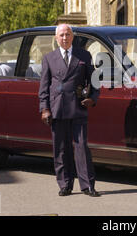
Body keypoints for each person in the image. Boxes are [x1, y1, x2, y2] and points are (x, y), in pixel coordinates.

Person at [39, 24, 101, 197]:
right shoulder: (49, 58)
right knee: (61, 148)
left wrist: (93, 99)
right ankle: (65, 184)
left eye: (67, 34)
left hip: (78, 107)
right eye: (61, 35)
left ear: (72, 37)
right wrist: (44, 109)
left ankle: (88, 185)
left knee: (82, 147)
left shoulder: (84, 55)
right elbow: (44, 88)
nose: (64, 38)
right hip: (57, 108)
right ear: (56, 38)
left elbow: (94, 81)